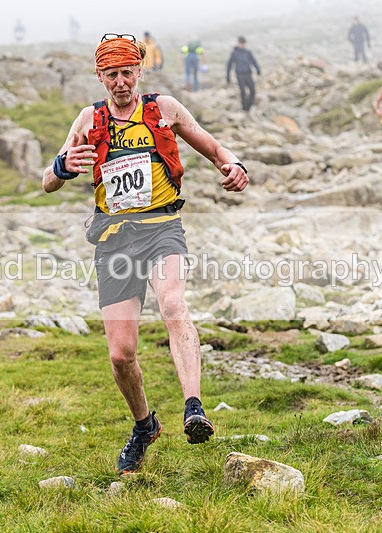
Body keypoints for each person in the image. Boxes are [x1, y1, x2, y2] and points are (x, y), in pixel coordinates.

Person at [42, 33, 249, 474]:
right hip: (114, 240)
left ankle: (194, 407)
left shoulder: (164, 109)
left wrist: (234, 166)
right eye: (112, 75)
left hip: (162, 229)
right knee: (121, 355)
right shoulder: (89, 118)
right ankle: (144, 426)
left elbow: (215, 149)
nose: (121, 82)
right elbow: (48, 181)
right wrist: (62, 167)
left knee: (174, 304)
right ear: (100, 77)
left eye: (127, 73)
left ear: (140, 70)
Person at [226, 36, 261, 112]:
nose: (242, 44)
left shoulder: (247, 52)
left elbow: (253, 61)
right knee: (243, 91)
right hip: (240, 75)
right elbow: (229, 64)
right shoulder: (234, 53)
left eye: (243, 43)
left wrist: (258, 69)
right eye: (240, 43)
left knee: (252, 90)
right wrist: (228, 76)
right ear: (238, 43)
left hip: (248, 74)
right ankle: (244, 108)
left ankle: (249, 106)